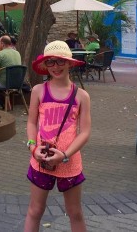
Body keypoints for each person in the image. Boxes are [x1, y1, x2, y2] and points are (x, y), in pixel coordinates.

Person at [25, 41, 91, 232]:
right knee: (35, 210)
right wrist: (32, 147)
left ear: (69, 63)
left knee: (75, 212)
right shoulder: (39, 91)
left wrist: (65, 154)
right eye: (51, 62)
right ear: (45, 66)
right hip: (41, 161)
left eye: (60, 62)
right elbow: (31, 123)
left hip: (69, 164)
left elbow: (85, 132)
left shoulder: (81, 96)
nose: (56, 67)